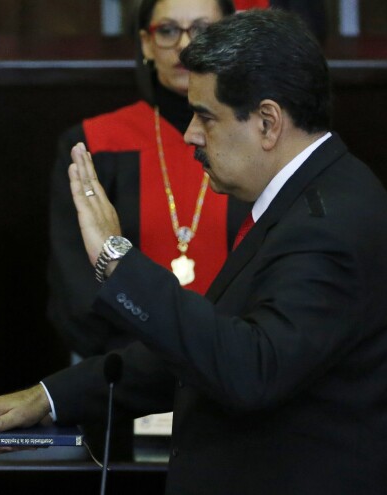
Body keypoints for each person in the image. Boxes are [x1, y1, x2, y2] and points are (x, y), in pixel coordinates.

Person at [0, 9, 387, 494]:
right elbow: (206, 347)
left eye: (205, 117)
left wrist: (116, 257)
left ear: (268, 123)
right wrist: (48, 398)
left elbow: (246, 370)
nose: (190, 134)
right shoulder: (310, 200)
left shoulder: (328, 228)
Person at [49, 0, 247, 360]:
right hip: (124, 368)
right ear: (145, 43)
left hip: (237, 363)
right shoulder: (95, 144)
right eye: (168, 30)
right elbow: (77, 288)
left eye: (202, 29)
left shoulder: (258, 140)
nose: (185, 47)